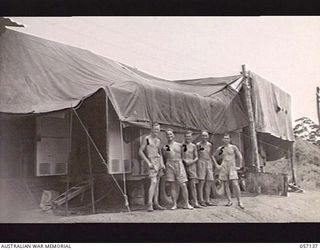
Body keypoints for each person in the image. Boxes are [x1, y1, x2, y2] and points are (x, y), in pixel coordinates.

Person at [162, 128, 193, 210]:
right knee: (172, 185)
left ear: (174, 135)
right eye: (168, 135)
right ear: (166, 136)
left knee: (183, 184)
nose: (169, 136)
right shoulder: (165, 147)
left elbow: (183, 156)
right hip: (169, 164)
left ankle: (186, 203)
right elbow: (165, 157)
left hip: (179, 163)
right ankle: (174, 204)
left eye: (171, 134)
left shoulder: (180, 145)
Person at [138, 123, 166, 212]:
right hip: (151, 161)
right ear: (151, 129)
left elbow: (160, 153)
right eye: (155, 129)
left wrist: (162, 164)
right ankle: (149, 204)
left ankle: (156, 203)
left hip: (158, 161)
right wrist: (148, 162)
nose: (156, 131)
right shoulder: (146, 139)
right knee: (153, 182)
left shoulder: (158, 140)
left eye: (158, 129)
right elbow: (140, 152)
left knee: (157, 183)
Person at [214, 133, 245, 209]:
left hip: (232, 167)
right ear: (222, 139)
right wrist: (217, 165)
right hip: (224, 167)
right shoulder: (221, 148)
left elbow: (240, 156)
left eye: (227, 138)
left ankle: (239, 201)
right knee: (226, 184)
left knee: (235, 183)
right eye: (224, 138)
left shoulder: (233, 147)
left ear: (230, 139)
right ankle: (229, 200)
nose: (226, 140)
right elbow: (213, 156)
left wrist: (240, 166)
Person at [182, 130, 202, 208]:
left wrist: (192, 162)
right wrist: (184, 161)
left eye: (189, 136)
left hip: (192, 165)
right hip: (184, 165)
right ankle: (184, 202)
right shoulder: (182, 145)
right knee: (184, 184)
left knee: (193, 185)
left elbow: (197, 157)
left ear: (191, 137)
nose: (188, 138)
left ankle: (195, 202)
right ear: (184, 137)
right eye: (186, 136)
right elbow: (180, 156)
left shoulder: (193, 146)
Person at [196, 130, 215, 207]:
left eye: (206, 136)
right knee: (201, 182)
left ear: (208, 136)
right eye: (203, 136)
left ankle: (207, 200)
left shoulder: (209, 145)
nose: (204, 137)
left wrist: (214, 164)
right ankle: (201, 200)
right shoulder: (198, 145)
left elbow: (211, 155)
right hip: (201, 162)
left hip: (208, 162)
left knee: (209, 181)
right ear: (201, 136)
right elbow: (196, 154)